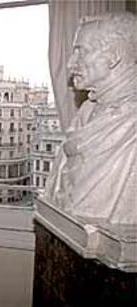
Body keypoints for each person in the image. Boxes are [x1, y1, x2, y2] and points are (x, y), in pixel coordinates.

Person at [45, 12, 137, 224]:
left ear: (113, 57)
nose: (70, 64)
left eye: (80, 52)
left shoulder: (131, 122)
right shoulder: (87, 110)